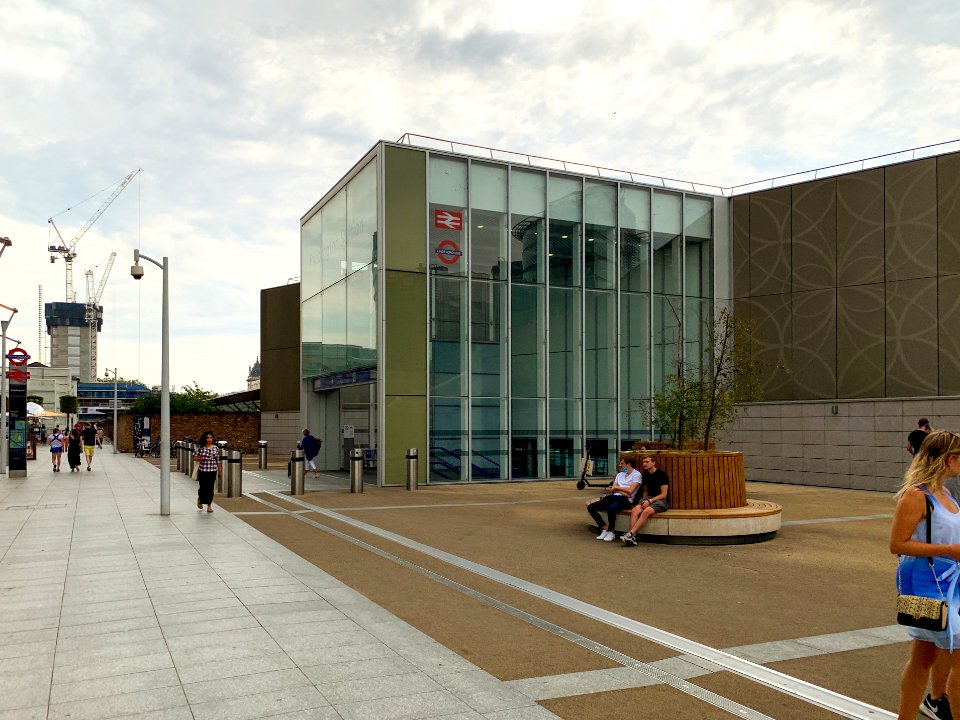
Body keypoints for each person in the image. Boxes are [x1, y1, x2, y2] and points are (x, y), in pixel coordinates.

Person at [891, 430, 960, 720]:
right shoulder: (916, 495)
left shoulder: (946, 494)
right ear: (949, 459)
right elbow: (897, 544)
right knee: (945, 656)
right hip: (929, 582)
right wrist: (950, 550)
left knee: (923, 655)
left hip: (951, 582)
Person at [587, 457, 641, 541]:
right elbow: (613, 489)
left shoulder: (637, 475)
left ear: (628, 465)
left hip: (626, 500)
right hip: (615, 496)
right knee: (591, 507)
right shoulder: (619, 475)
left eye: (622, 463)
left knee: (611, 509)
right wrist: (621, 490)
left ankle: (611, 532)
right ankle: (605, 528)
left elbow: (630, 491)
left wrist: (617, 488)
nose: (620, 465)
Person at [621, 455, 670, 546]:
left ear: (653, 463)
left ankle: (630, 533)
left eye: (647, 462)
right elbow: (646, 491)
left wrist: (650, 501)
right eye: (643, 462)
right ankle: (632, 537)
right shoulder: (645, 475)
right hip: (649, 498)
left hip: (661, 500)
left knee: (646, 511)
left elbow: (664, 494)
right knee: (635, 510)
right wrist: (643, 501)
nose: (644, 464)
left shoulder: (662, 475)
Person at [193, 431, 221, 513]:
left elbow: (218, 460)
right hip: (203, 470)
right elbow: (194, 457)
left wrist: (220, 470)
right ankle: (200, 499)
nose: (209, 439)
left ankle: (209, 506)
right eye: (207, 438)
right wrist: (200, 459)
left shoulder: (216, 448)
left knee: (210, 488)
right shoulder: (200, 447)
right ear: (205, 439)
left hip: (212, 471)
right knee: (203, 487)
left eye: (211, 438)